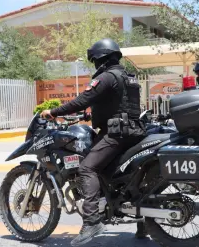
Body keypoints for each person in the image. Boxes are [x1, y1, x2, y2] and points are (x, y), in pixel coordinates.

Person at [40, 38, 146, 246]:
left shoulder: (106, 77)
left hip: (117, 134)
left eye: (95, 61)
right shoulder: (128, 77)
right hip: (134, 131)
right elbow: (118, 105)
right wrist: (90, 117)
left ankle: (91, 222)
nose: (96, 66)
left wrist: (53, 112)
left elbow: (82, 100)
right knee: (119, 176)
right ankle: (143, 222)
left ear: (101, 59)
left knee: (87, 168)